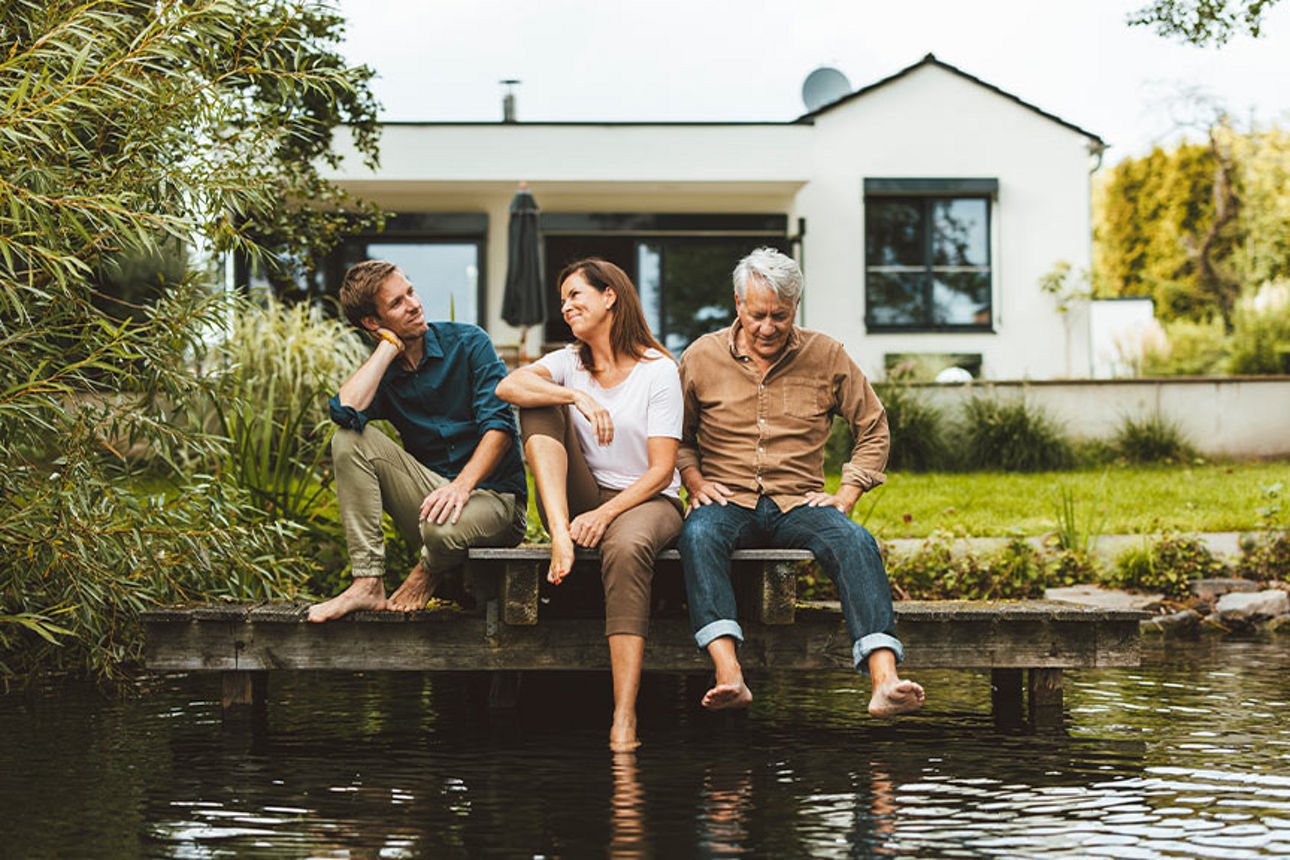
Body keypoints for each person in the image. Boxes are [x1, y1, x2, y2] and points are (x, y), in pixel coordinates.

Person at [677, 247, 924, 717]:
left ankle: (884, 680)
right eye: (757, 315)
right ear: (737, 304)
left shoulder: (827, 355)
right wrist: (693, 479)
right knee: (698, 534)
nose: (767, 327)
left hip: (799, 501)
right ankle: (729, 673)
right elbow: (677, 435)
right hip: (726, 498)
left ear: (795, 309)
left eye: (780, 315)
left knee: (855, 541)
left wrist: (848, 491)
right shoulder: (701, 356)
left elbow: (874, 428)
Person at [495, 258, 684, 752]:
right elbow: (507, 386)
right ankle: (559, 532)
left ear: (610, 297)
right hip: (575, 497)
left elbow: (663, 470)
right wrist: (575, 398)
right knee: (538, 404)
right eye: (563, 300)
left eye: (576, 295)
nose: (567, 307)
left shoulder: (659, 370)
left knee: (624, 550)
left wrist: (605, 513)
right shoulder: (568, 362)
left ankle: (624, 715)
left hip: (648, 497)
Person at [308, 260, 527, 622]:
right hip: (434, 504)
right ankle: (367, 582)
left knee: (441, 529)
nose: (414, 303)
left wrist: (461, 487)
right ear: (372, 323)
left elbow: (501, 429)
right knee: (348, 439)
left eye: (410, 291)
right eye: (397, 303)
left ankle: (427, 572)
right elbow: (345, 412)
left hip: (495, 502)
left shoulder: (469, 343)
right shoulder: (386, 372)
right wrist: (386, 349)